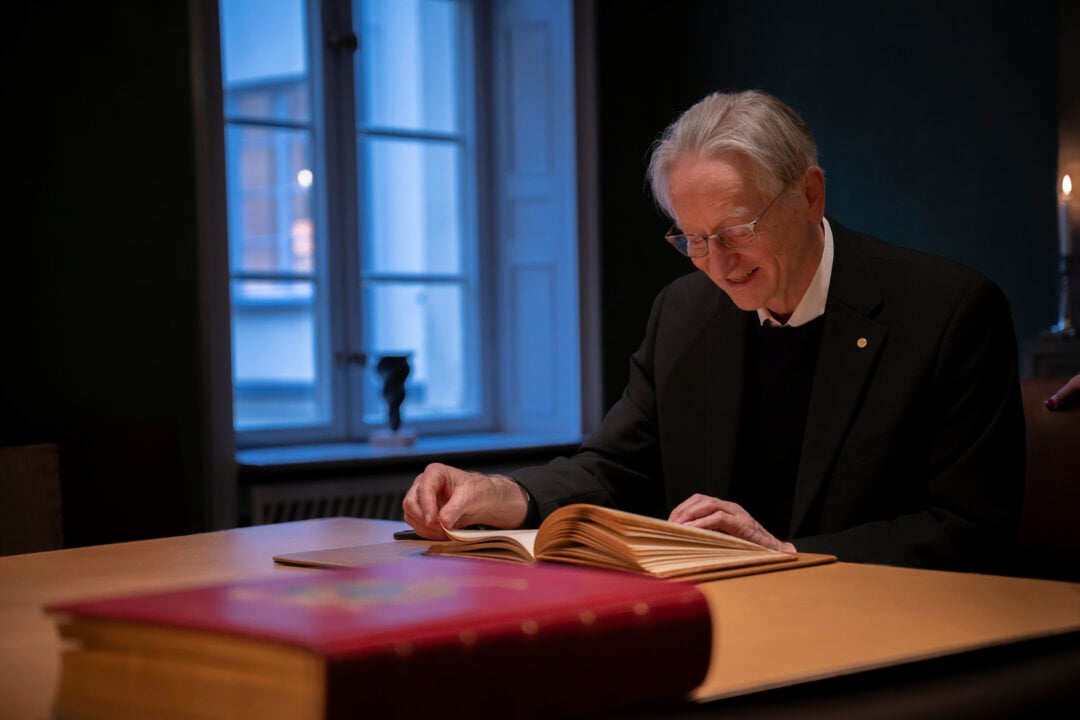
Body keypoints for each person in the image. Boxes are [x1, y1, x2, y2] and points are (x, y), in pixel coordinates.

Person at [403, 90, 1026, 572]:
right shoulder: (685, 312)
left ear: (810, 196)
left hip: (881, 619)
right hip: (721, 617)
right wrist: (495, 493)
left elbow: (967, 529)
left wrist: (788, 552)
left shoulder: (948, 311)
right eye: (694, 240)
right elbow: (614, 468)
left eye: (736, 232)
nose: (718, 265)